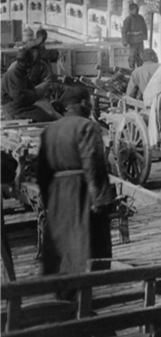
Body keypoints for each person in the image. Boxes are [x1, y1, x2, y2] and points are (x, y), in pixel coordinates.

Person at [36, 87, 116, 275]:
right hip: (81, 191)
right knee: (85, 241)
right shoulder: (87, 127)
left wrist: (49, 201)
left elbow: (42, 172)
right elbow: (93, 164)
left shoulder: (50, 130)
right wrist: (99, 198)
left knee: (62, 241)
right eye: (88, 102)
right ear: (82, 103)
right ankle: (85, 289)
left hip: (58, 192)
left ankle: (63, 289)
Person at [1, 33, 58, 122]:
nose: (39, 52)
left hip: (30, 100)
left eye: (40, 49)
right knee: (48, 117)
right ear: (28, 58)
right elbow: (20, 96)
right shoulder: (14, 71)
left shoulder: (40, 66)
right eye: (36, 50)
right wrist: (37, 91)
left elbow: (46, 83)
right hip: (16, 107)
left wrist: (37, 92)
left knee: (52, 114)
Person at [121, 2, 148, 68]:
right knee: (132, 56)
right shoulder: (128, 19)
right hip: (132, 41)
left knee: (141, 56)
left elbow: (144, 27)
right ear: (130, 10)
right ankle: (132, 69)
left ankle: (140, 68)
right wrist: (124, 41)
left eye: (136, 9)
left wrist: (145, 36)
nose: (135, 11)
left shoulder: (140, 18)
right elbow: (124, 31)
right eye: (133, 9)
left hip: (140, 40)